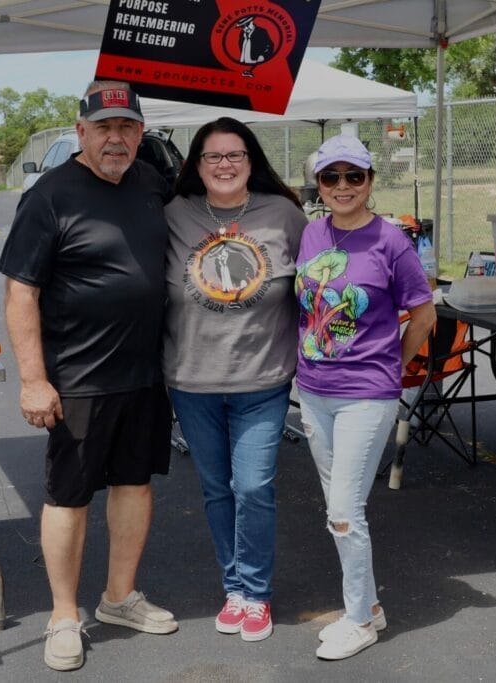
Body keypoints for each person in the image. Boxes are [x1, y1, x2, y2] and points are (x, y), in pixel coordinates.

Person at [0, 80, 177, 673]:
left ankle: (119, 597)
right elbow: (21, 292)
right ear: (80, 132)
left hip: (144, 374)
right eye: (103, 128)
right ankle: (64, 615)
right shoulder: (50, 196)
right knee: (68, 497)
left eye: (126, 128)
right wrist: (32, 379)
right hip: (76, 378)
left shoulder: (151, 184)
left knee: (134, 485)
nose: (116, 139)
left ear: (141, 133)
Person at [164, 117, 307, 642]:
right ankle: (235, 590)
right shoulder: (173, 216)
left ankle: (256, 592)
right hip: (191, 379)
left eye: (235, 155)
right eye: (213, 156)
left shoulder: (284, 214)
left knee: (253, 486)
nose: (225, 165)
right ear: (195, 166)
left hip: (262, 379)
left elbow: (320, 280)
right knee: (216, 491)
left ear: (252, 161)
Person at [294, 134, 436, 660]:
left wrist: (391, 368)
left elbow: (424, 316)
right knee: (339, 506)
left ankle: (359, 619)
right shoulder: (311, 236)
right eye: (331, 177)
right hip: (313, 391)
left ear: (371, 181)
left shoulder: (390, 241)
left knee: (344, 511)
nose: (342, 186)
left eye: (354, 176)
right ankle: (368, 604)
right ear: (319, 185)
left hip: (366, 395)